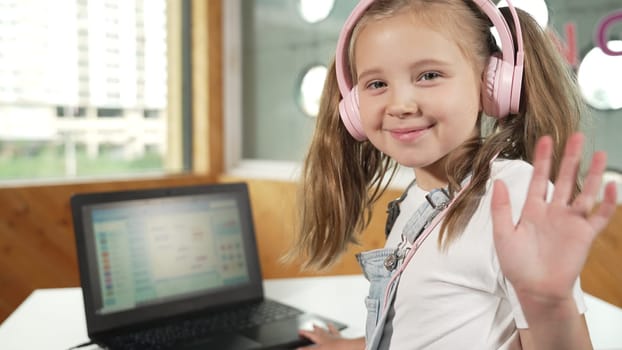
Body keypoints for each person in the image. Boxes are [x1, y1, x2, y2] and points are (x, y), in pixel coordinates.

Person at [288, 0, 618, 349]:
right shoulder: (418, 198)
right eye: (377, 84)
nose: (400, 104)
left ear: (491, 83)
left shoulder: (510, 195)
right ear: (354, 105)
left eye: (429, 76)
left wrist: (549, 305)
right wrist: (349, 346)